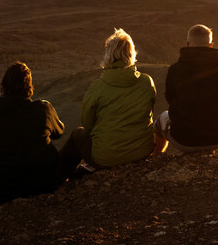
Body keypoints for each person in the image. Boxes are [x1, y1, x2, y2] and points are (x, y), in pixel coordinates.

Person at [57, 29, 156, 182]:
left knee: (78, 134)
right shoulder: (147, 81)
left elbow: (87, 123)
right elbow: (149, 110)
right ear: (132, 54)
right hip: (142, 151)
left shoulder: (98, 86)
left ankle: (59, 179)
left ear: (109, 55)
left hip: (106, 158)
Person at [0, 61, 65, 207]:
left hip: (6, 192)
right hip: (46, 184)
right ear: (29, 86)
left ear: (4, 86)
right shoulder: (43, 109)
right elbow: (59, 133)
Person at [154, 24, 218, 154]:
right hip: (216, 138)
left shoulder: (175, 69)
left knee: (160, 120)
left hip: (183, 140)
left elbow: (170, 98)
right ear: (211, 44)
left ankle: (155, 157)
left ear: (188, 44)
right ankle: (209, 151)